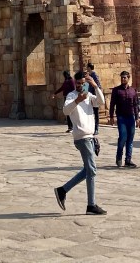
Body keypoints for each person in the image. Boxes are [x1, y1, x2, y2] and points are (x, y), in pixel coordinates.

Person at [53, 70, 106, 216]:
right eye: (78, 83)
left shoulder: (89, 96)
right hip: (82, 138)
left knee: (88, 170)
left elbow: (101, 102)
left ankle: (62, 190)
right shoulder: (72, 96)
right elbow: (65, 111)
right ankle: (91, 205)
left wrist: (95, 86)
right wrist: (77, 100)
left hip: (90, 136)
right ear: (75, 83)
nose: (81, 86)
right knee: (92, 170)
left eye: (83, 83)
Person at [108, 70, 140, 167]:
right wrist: (111, 116)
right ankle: (119, 156)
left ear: (128, 78)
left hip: (131, 117)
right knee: (123, 137)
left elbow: (135, 105)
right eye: (122, 77)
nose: (123, 79)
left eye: (124, 77)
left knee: (130, 139)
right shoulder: (116, 90)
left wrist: (137, 118)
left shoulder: (133, 91)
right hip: (121, 117)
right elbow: (112, 104)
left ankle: (128, 159)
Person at [86, 63, 103, 134]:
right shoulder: (88, 75)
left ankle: (96, 128)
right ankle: (91, 127)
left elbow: (98, 85)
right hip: (89, 96)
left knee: (96, 112)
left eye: (87, 67)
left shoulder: (94, 75)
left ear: (89, 68)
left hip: (94, 96)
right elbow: (86, 85)